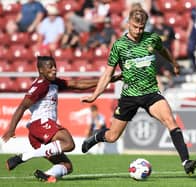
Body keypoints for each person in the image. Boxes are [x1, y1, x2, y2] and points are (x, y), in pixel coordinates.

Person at [81, 7, 196, 175]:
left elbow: (163, 50)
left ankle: (186, 162)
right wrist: (95, 95)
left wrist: (173, 63)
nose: (138, 31)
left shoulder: (152, 39)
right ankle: (95, 137)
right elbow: (108, 73)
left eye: (141, 27)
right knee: (112, 136)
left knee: (171, 121)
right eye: (135, 27)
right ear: (128, 23)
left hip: (151, 93)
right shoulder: (119, 46)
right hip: (129, 96)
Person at [1, 55, 121, 183]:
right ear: (41, 70)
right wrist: (11, 129)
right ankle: (22, 157)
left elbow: (77, 84)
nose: (54, 69)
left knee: (67, 166)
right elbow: (22, 107)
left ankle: (47, 175)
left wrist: (108, 80)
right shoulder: (40, 86)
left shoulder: (53, 82)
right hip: (41, 125)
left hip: (40, 131)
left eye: (55, 66)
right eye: (50, 67)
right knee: (68, 143)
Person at [151, 11, 180, 90]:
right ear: (156, 19)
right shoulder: (152, 30)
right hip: (156, 54)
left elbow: (175, 39)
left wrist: (177, 50)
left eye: (161, 18)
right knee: (155, 72)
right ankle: (161, 87)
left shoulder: (168, 29)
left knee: (167, 71)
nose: (160, 19)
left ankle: (171, 82)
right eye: (158, 18)